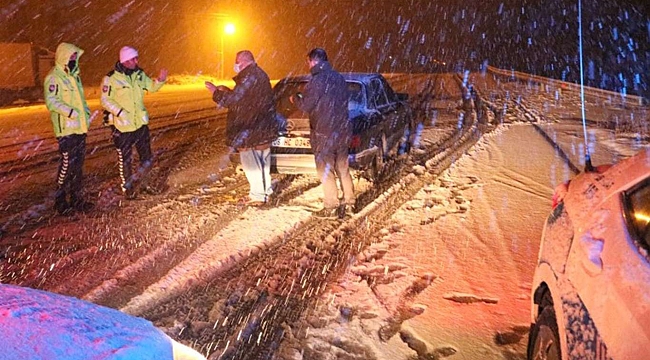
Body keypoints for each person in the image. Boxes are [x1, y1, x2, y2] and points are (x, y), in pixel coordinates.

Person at [205, 50, 278, 205]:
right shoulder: (261, 74)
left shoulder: (249, 77)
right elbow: (247, 99)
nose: (235, 64)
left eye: (236, 61)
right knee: (263, 161)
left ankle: (258, 195)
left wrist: (216, 92)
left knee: (251, 163)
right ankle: (266, 191)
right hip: (262, 126)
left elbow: (234, 101)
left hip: (250, 127)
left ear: (243, 61)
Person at [292, 48, 354, 218]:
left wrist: (296, 98)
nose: (308, 65)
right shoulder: (339, 78)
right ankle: (349, 203)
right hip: (342, 131)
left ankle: (331, 206)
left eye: (309, 62)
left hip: (324, 133)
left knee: (326, 170)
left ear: (313, 61)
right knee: (343, 168)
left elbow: (306, 106)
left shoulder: (316, 81)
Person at [101, 46, 167, 199]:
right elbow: (105, 100)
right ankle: (128, 189)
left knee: (147, 157)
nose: (136, 61)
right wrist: (120, 113)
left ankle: (146, 184)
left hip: (140, 124)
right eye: (132, 59)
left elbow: (151, 86)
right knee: (125, 159)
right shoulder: (111, 78)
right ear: (124, 61)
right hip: (122, 126)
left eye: (137, 58)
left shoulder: (139, 74)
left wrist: (160, 81)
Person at [44, 42, 95, 215]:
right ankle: (60, 201)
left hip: (79, 129)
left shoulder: (75, 76)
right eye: (71, 56)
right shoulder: (54, 77)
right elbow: (52, 102)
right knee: (66, 166)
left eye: (75, 56)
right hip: (65, 131)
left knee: (77, 167)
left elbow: (81, 100)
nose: (74, 59)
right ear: (63, 56)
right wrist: (70, 112)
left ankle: (76, 199)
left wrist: (86, 114)